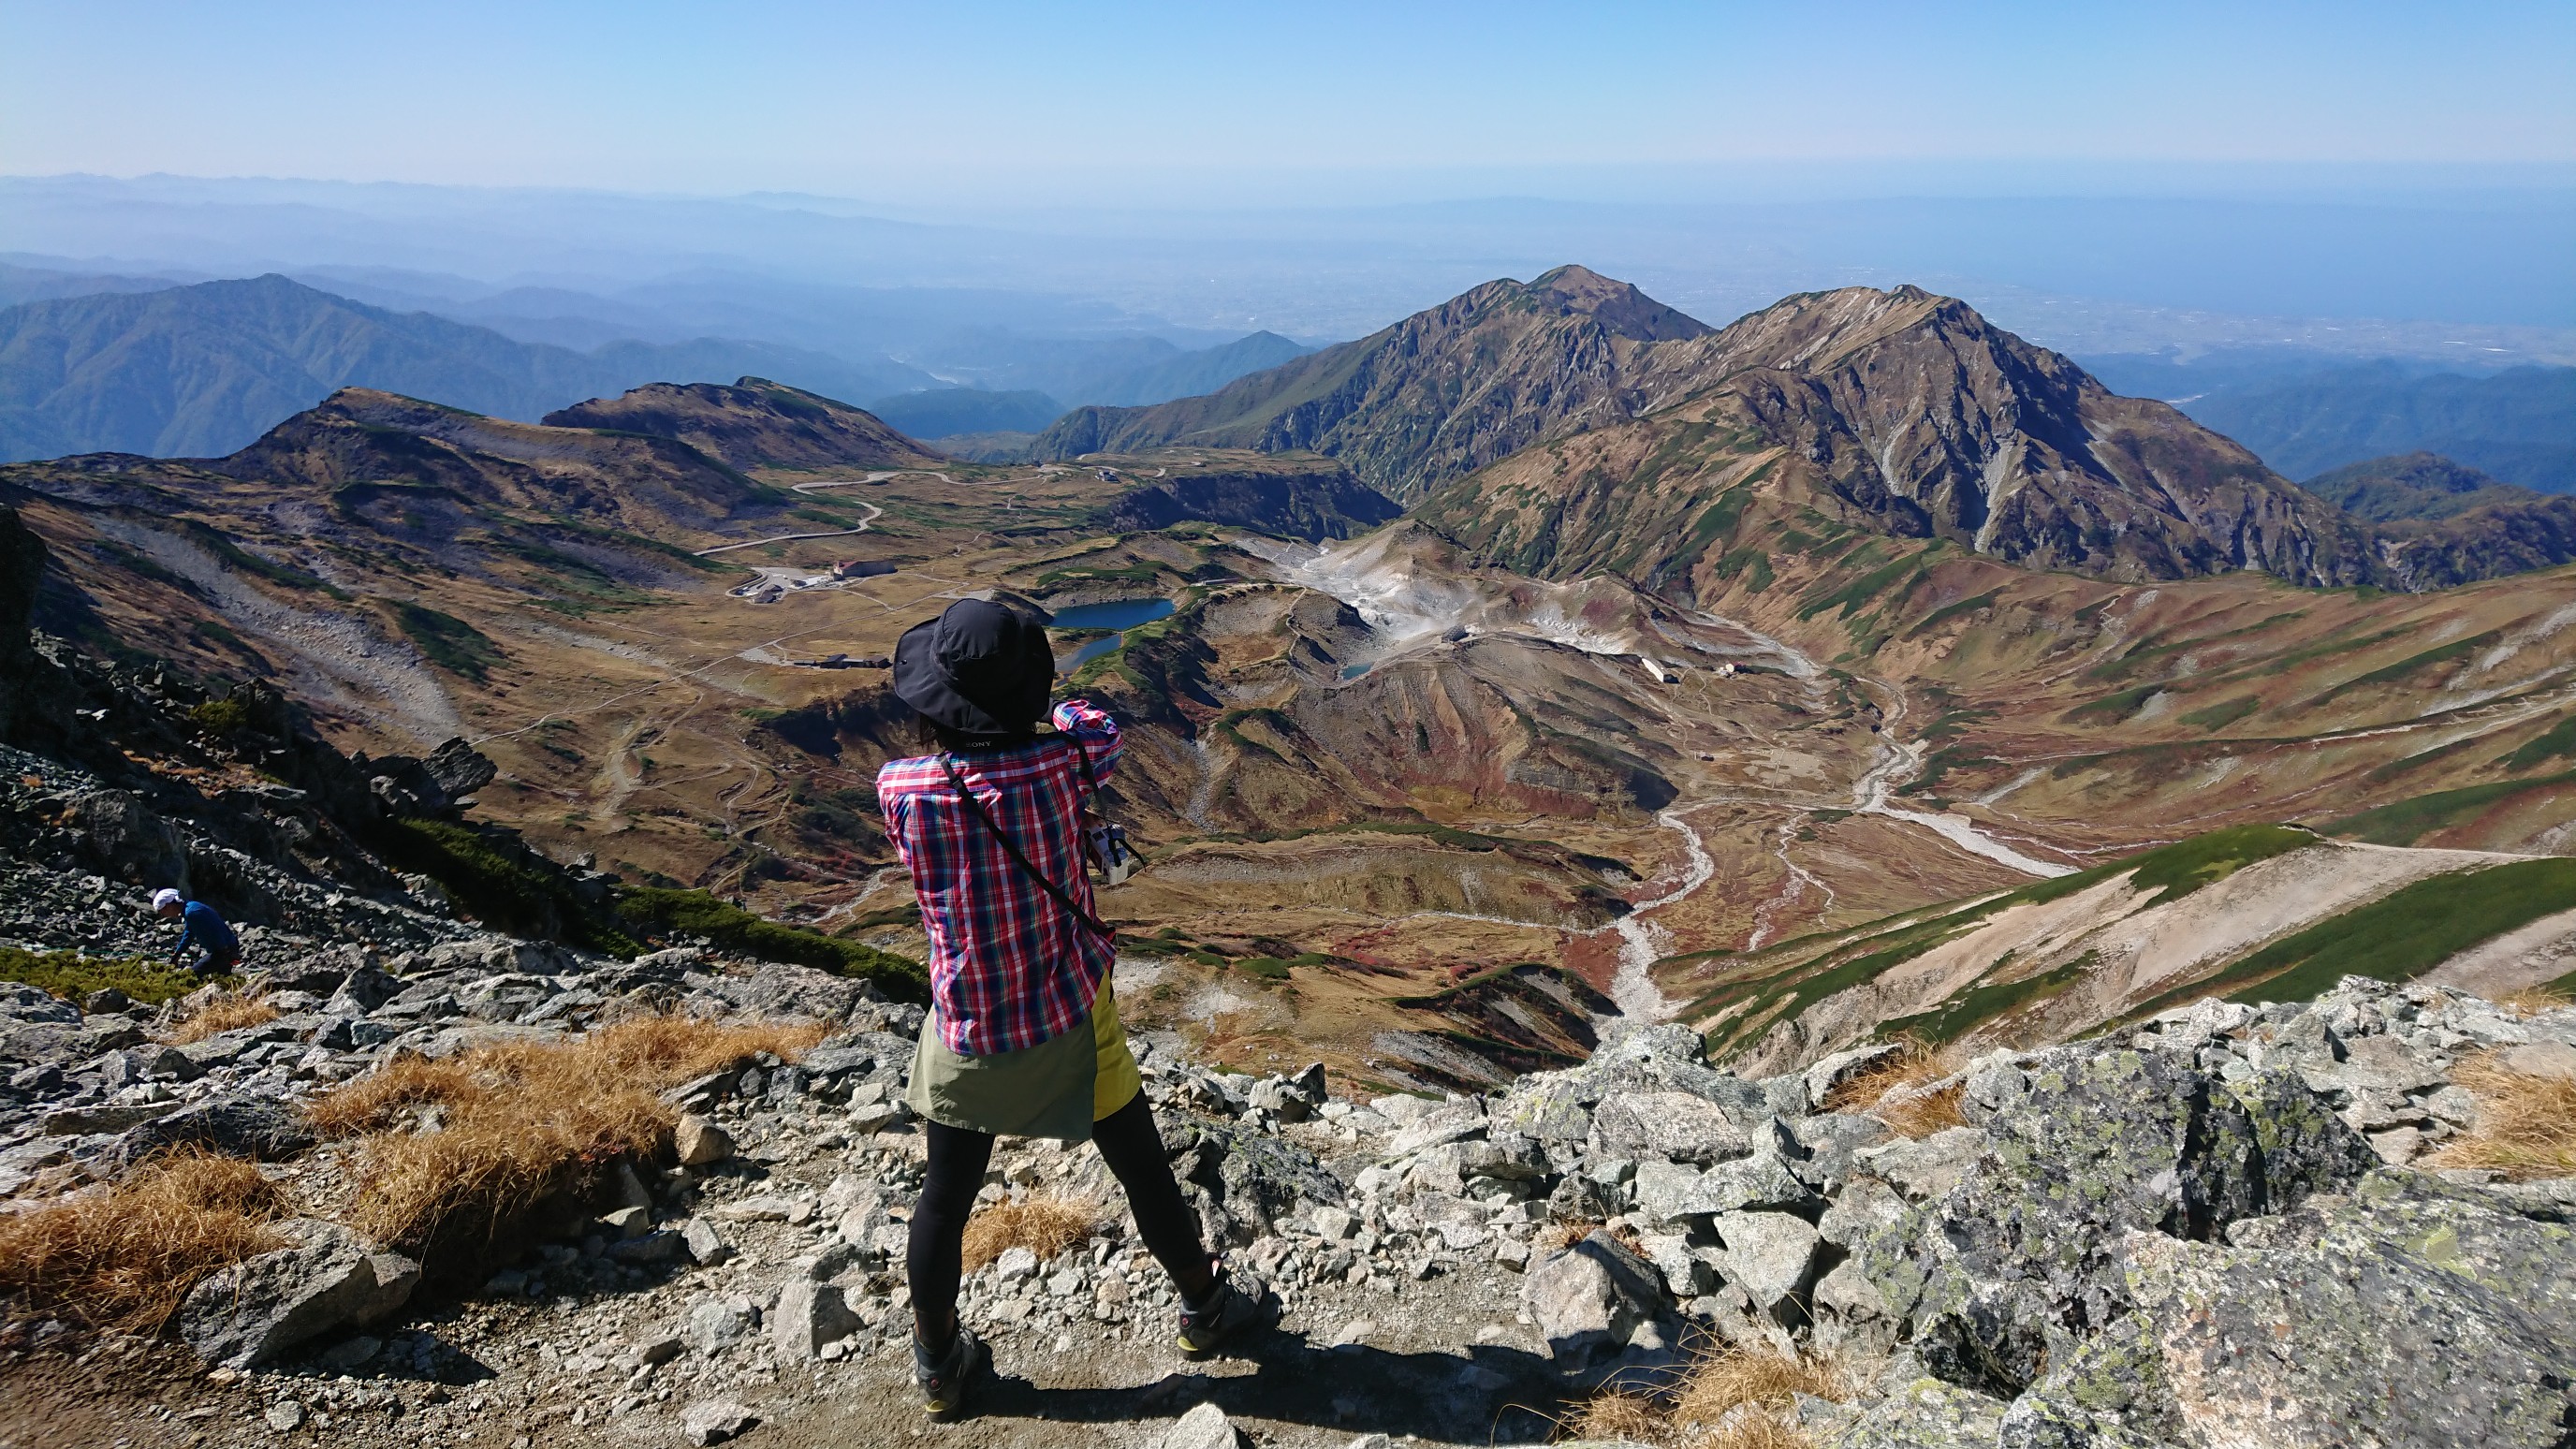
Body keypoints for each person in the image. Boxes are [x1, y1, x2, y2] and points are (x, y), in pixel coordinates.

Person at [874, 597, 1272, 1422]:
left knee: (944, 1199)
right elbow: (1096, 726)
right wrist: (1044, 706)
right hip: (1070, 1011)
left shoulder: (902, 788)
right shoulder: (1065, 764)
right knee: (1141, 1167)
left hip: (968, 1022)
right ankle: (1204, 1306)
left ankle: (939, 1366)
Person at [153, 887, 241, 974]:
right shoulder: (191, 907)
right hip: (227, 947)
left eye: (162, 912)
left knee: (192, 974)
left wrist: (226, 952)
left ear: (168, 906)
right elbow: (188, 934)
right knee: (221, 977)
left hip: (224, 950)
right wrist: (177, 954)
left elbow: (215, 932)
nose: (165, 915)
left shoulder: (191, 913)